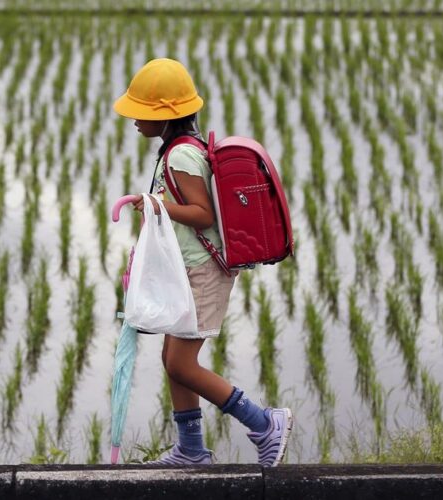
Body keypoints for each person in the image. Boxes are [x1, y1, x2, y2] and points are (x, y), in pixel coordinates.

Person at [113, 58, 292, 466]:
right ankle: (191, 450)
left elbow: (202, 213)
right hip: (186, 269)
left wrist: (156, 204)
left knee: (180, 362)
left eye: (142, 112)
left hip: (203, 273)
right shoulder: (177, 150)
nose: (134, 120)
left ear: (167, 116)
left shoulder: (181, 157)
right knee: (171, 361)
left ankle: (264, 423)